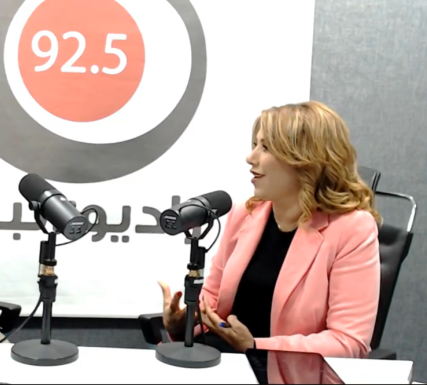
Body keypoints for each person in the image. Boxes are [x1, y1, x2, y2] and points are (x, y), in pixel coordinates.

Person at [159, 101, 382, 358]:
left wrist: (256, 346)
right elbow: (212, 303)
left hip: (292, 371)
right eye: (255, 145)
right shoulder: (245, 214)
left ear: (305, 159)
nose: (250, 157)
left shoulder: (352, 228)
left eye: (265, 148)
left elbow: (349, 342)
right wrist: (184, 322)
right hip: (226, 362)